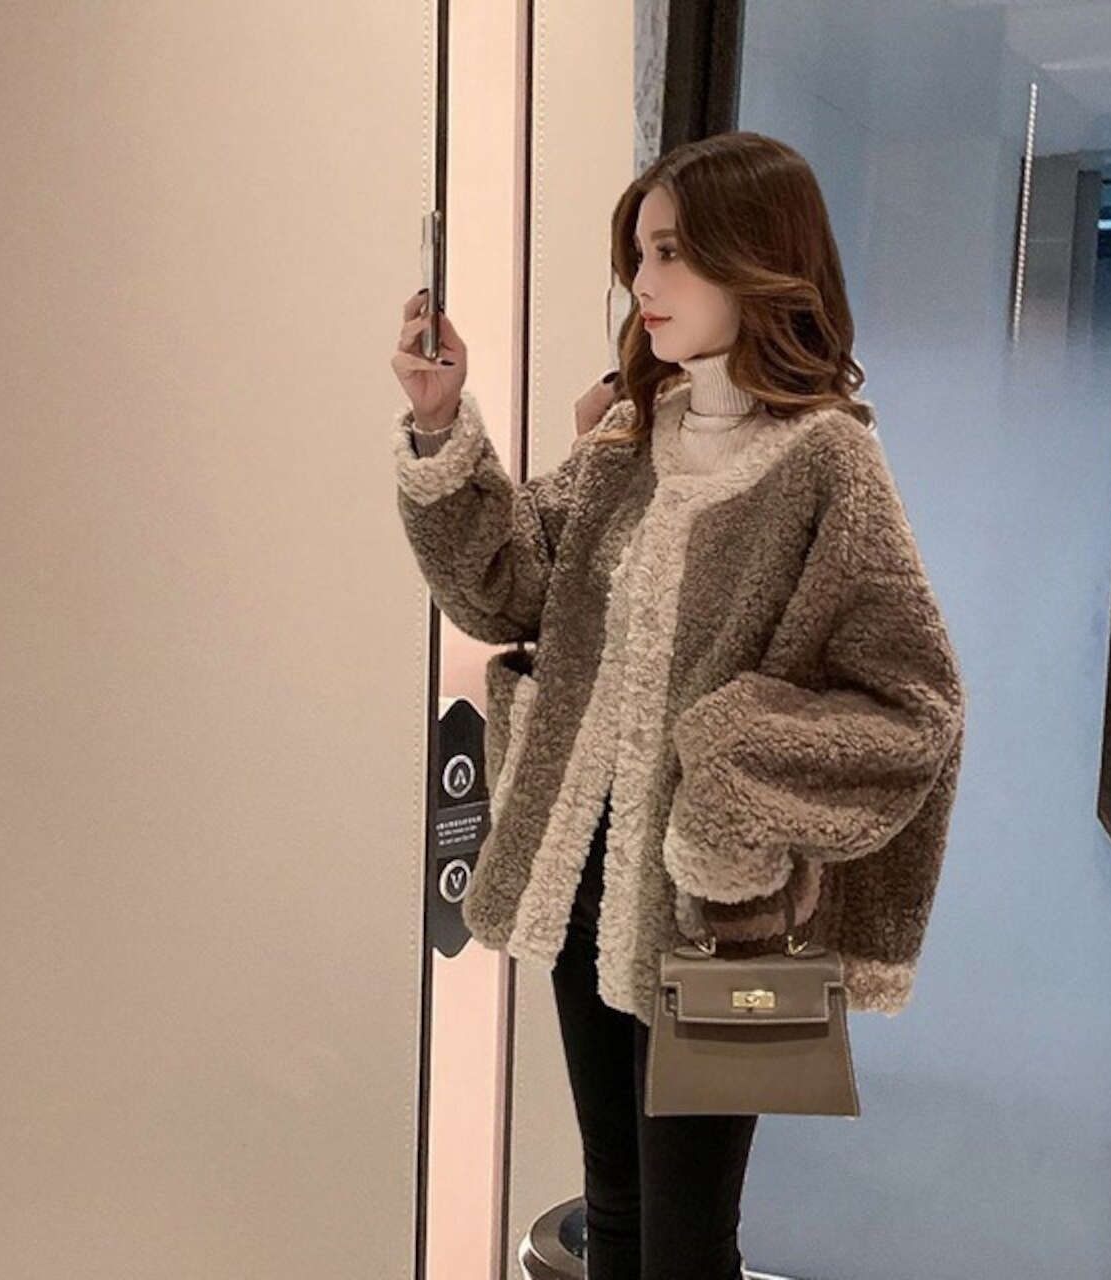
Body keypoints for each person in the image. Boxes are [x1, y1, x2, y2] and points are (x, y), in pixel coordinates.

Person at [389, 131, 967, 1280]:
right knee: (613, 1211)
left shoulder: (824, 462)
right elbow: (503, 587)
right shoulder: (628, 440)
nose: (641, 282)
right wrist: (442, 424)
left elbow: (912, 706)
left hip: (714, 914)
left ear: (753, 260)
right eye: (638, 254)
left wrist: (733, 782)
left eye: (668, 253)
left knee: (688, 1241)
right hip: (584, 881)